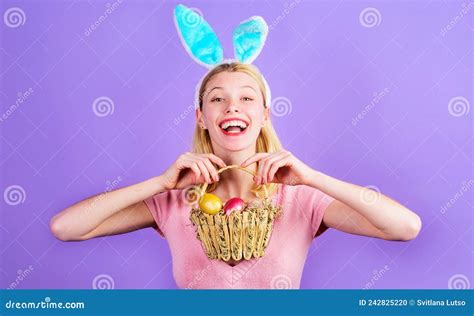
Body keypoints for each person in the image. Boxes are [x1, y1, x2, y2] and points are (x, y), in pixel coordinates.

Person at [50, 62, 422, 289]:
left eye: (246, 98)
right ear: (201, 117)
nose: (232, 107)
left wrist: (312, 178)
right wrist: (160, 184)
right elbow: (67, 227)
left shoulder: (300, 198)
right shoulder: (177, 200)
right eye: (217, 98)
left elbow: (404, 227)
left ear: (264, 114)